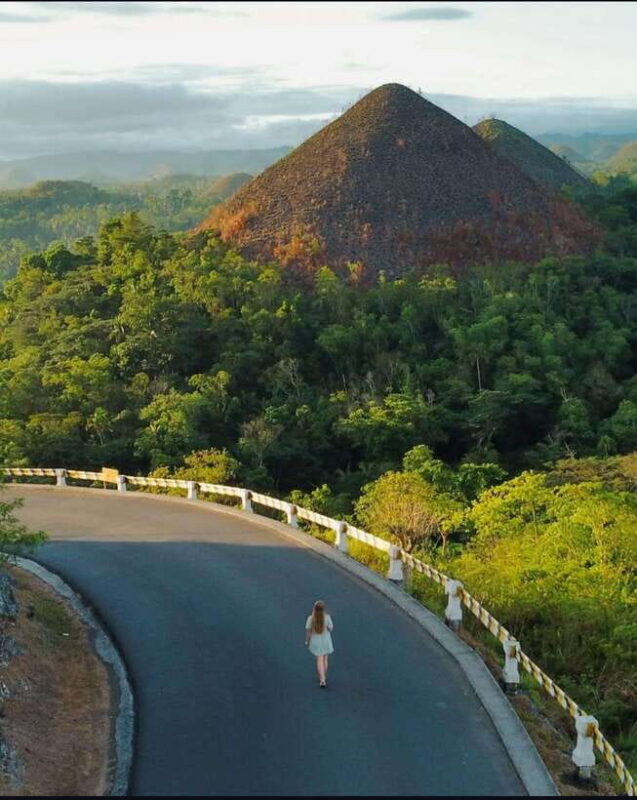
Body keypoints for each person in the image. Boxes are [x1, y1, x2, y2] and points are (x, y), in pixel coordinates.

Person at [305, 600, 334, 687]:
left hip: (316, 642)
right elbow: (331, 628)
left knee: (319, 659)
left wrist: (307, 640)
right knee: (325, 659)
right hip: (326, 641)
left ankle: (322, 679)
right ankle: (323, 675)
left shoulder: (311, 618)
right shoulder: (327, 617)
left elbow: (308, 631)